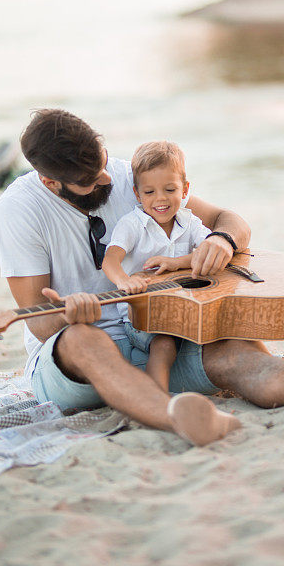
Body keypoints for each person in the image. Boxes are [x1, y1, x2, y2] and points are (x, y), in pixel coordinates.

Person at [0, 109, 284, 447]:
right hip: (75, 367)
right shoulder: (18, 212)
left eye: (102, 164)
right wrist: (72, 316)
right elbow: (42, 324)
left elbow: (232, 220)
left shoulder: (130, 178)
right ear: (50, 181)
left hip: (155, 332)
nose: (106, 179)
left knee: (232, 351)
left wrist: (223, 240)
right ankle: (174, 415)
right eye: (88, 181)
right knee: (86, 340)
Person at [102, 140, 211, 391]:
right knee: (164, 345)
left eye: (169, 190)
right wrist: (124, 281)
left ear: (184, 190)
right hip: (141, 316)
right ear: (137, 193)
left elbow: (210, 251)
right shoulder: (132, 225)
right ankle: (157, 398)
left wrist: (177, 263)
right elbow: (110, 260)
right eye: (149, 192)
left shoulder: (189, 220)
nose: (160, 199)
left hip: (184, 308)